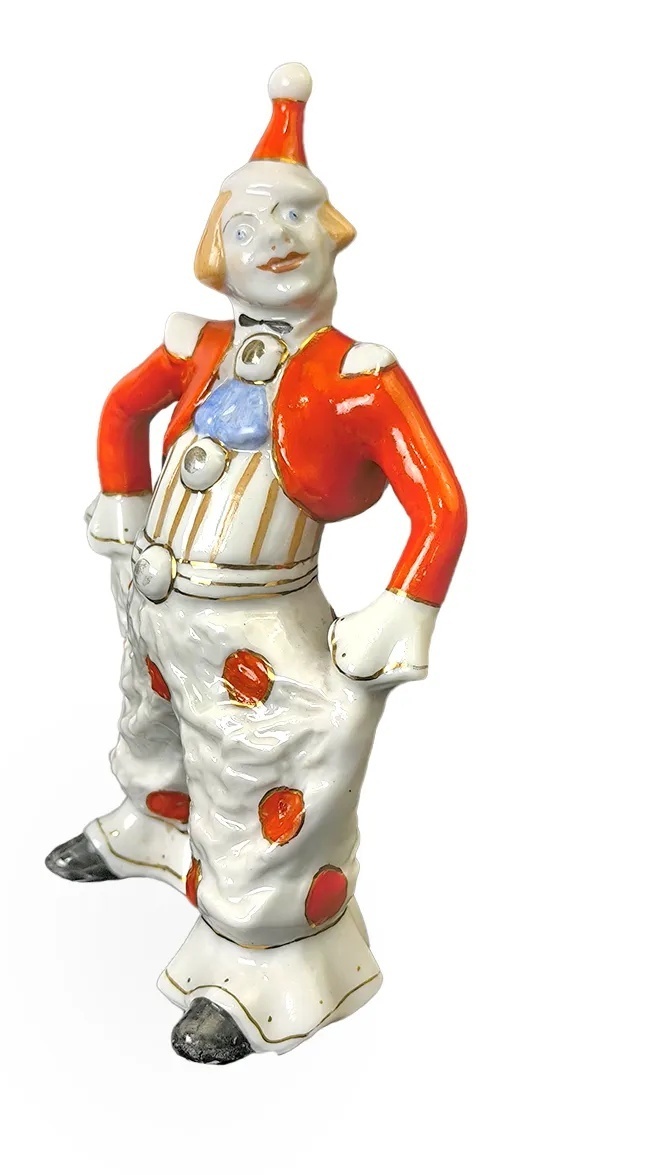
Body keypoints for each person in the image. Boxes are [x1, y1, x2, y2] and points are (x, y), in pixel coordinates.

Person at [46, 62, 467, 1064]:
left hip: (259, 623)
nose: (272, 239)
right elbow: (121, 409)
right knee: (152, 719)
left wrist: (402, 605)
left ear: (333, 236)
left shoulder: (357, 376)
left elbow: (442, 503)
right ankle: (152, 828)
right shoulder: (197, 346)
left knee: (263, 768)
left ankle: (259, 961)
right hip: (156, 597)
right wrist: (125, 502)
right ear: (215, 252)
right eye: (246, 226)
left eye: (294, 218)